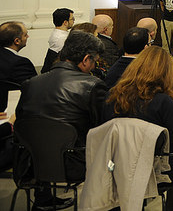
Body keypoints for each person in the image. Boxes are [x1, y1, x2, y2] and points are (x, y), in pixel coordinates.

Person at [106, 46, 173, 211]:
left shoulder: (115, 96)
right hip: (158, 168)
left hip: (122, 164)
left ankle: (172, 203)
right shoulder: (162, 101)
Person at [16, 31, 108, 209]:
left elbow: (22, 123)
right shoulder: (92, 85)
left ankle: (42, 198)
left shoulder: (30, 83)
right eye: (94, 61)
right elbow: (101, 127)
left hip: (29, 163)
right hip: (73, 165)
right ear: (86, 59)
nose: (94, 66)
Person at [0, 21, 37, 110]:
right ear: (17, 41)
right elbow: (35, 90)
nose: (27, 37)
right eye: (25, 35)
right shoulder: (20, 64)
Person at [42, 7, 74, 73]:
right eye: (72, 19)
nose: (73, 21)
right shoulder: (62, 38)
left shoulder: (57, 33)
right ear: (65, 22)